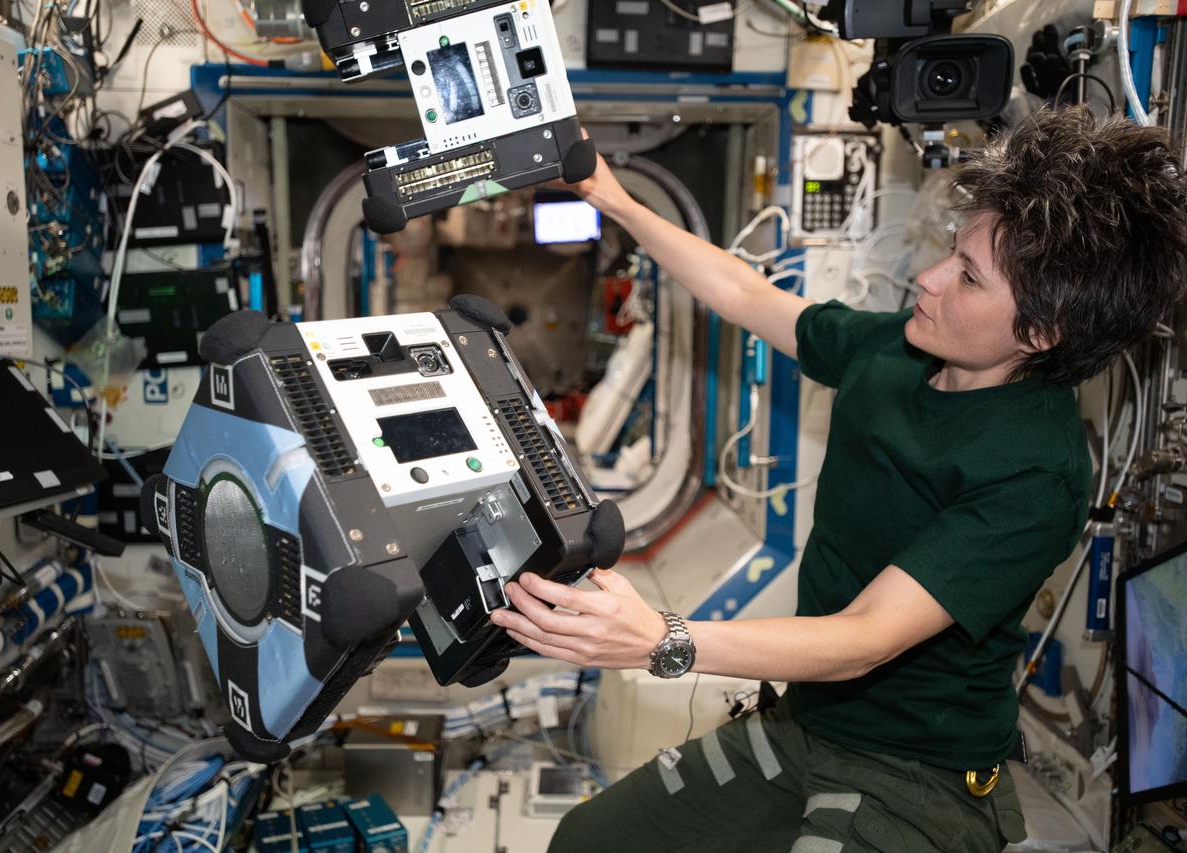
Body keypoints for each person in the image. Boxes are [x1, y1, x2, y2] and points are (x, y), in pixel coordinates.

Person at [488, 107, 1187, 852]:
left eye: (968, 276)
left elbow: (864, 638)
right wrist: (615, 199)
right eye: (953, 250)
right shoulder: (900, 349)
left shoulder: (1036, 470)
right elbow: (750, 297)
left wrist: (661, 639)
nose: (928, 277)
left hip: (917, 774)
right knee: (587, 842)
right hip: (804, 722)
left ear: (1041, 332)